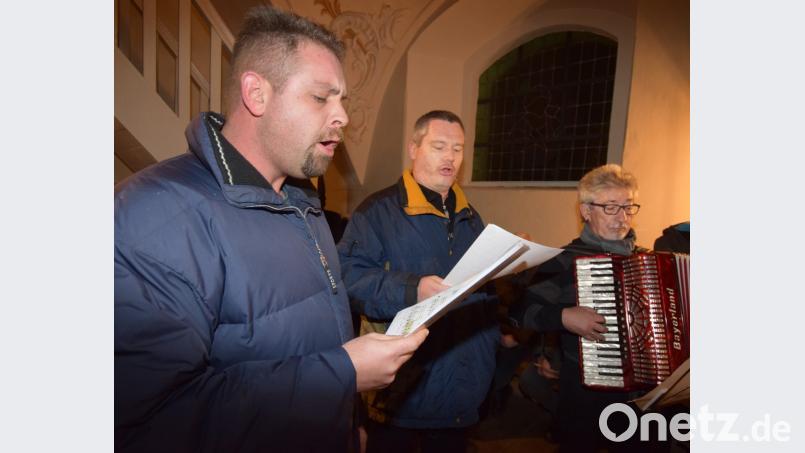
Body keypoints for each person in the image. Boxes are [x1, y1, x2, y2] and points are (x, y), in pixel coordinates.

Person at [114, 6, 428, 452]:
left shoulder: (304, 204)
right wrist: (341, 375)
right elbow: (153, 420)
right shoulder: (153, 215)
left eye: (343, 101)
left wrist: (347, 420)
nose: (342, 117)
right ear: (256, 94)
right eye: (322, 98)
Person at [337, 110, 498, 453]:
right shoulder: (377, 212)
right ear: (413, 148)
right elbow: (346, 278)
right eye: (439, 146)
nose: (451, 157)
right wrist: (412, 288)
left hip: (463, 383)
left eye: (458, 148)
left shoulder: (470, 216)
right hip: (404, 392)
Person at [508, 164, 664, 452]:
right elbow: (520, 312)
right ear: (586, 211)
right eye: (611, 208)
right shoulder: (564, 261)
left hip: (644, 394)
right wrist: (564, 316)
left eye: (629, 207)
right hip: (584, 392)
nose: (622, 218)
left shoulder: (650, 263)